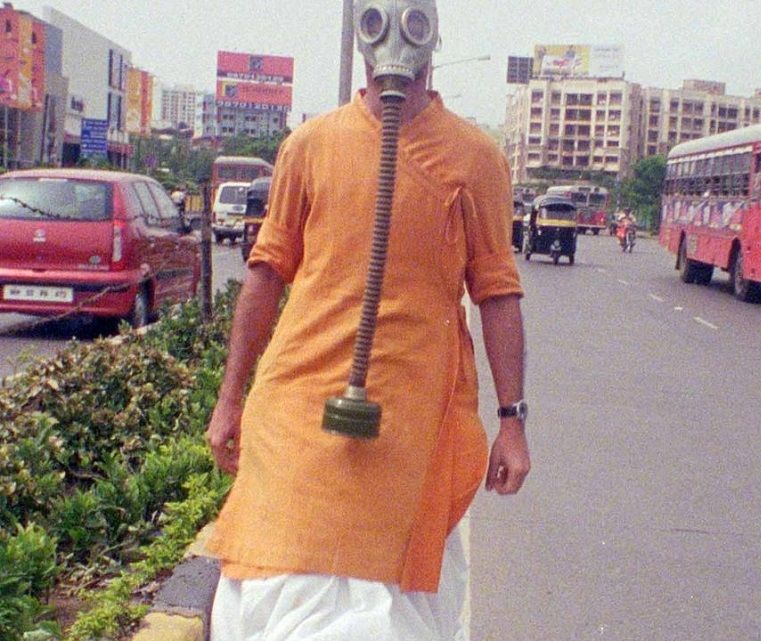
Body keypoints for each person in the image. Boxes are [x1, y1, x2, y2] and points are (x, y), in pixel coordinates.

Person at [205, 1, 530, 638]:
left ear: (431, 34)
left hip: (412, 420)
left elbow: (497, 293)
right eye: (378, 18)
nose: (394, 40)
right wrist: (230, 398)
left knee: (388, 602)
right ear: (362, 34)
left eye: (412, 18)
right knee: (274, 566)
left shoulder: (476, 158)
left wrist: (512, 421)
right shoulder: (309, 145)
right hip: (297, 406)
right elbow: (267, 273)